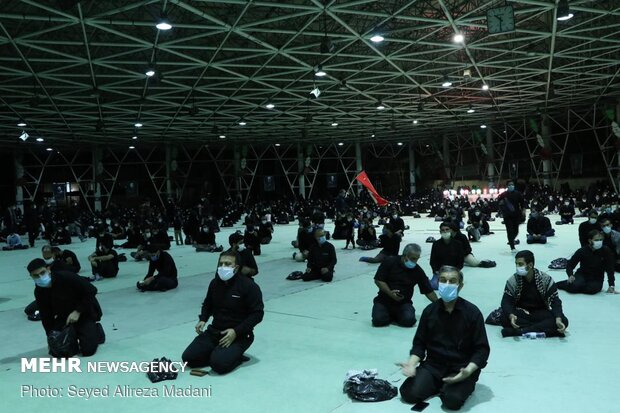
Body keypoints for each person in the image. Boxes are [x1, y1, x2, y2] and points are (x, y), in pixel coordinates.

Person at [397, 266, 490, 411]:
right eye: (443, 280)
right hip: (434, 366)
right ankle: (440, 385)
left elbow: (482, 349)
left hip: (461, 368)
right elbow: (419, 343)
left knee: (452, 401)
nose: (447, 284)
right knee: (408, 394)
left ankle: (450, 387)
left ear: (460, 286)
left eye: (452, 281)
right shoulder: (430, 311)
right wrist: (411, 363)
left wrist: (469, 370)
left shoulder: (472, 313)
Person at [182, 251, 264, 374]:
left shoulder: (249, 286)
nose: (223, 267)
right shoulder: (215, 283)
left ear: (236, 268)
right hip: (214, 331)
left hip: (238, 334)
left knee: (219, 365)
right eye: (221, 264)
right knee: (189, 359)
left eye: (227, 264)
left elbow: (257, 314)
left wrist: (236, 331)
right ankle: (219, 353)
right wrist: (203, 319)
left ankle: (235, 356)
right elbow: (208, 303)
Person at [27, 258, 105, 357]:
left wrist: (78, 311)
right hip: (64, 317)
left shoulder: (66, 277)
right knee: (61, 351)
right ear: (31, 276)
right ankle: (75, 334)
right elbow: (46, 315)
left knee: (88, 350)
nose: (40, 277)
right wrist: (51, 337)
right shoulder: (39, 291)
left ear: (48, 269)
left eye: (42, 273)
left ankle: (96, 331)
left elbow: (91, 290)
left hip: (84, 313)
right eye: (36, 275)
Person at [499, 250, 569, 337]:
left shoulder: (545, 279)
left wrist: (558, 318)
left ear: (530, 265)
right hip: (521, 313)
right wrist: (511, 315)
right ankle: (546, 331)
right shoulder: (513, 280)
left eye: (520, 264)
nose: (517, 267)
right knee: (504, 318)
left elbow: (555, 301)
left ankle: (520, 332)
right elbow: (506, 301)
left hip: (540, 312)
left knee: (563, 320)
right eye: (516, 264)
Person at [372, 244, 437, 327]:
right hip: (384, 300)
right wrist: (390, 293)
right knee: (378, 321)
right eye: (413, 258)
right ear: (405, 255)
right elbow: (378, 280)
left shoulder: (418, 271)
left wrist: (439, 304)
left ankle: (395, 316)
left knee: (409, 321)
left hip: (403, 302)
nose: (415, 261)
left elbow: (428, 291)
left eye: (417, 259)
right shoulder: (389, 261)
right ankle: (390, 315)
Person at [557, 230, 615, 295]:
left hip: (597, 277)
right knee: (573, 288)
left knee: (592, 290)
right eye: (596, 240)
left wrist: (611, 285)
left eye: (601, 240)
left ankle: (579, 285)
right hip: (582, 274)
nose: (599, 242)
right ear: (590, 241)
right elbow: (570, 265)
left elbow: (610, 268)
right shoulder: (582, 251)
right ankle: (564, 284)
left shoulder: (606, 251)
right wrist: (570, 275)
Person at [429, 223, 465, 288]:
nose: (445, 231)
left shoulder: (458, 244)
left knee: (453, 285)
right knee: (434, 285)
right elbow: (432, 261)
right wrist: (436, 271)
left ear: (451, 230)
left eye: (447, 229)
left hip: (453, 271)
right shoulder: (436, 244)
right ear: (440, 232)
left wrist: (456, 270)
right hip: (440, 271)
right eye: (443, 230)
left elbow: (461, 261)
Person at [497, 181, 526, 252]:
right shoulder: (503, 195)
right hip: (507, 216)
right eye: (510, 185)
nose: (511, 186)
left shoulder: (518, 194)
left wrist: (523, 211)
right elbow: (499, 204)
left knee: (516, 230)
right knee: (509, 231)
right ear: (507, 186)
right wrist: (502, 211)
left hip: (516, 215)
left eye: (512, 185)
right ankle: (512, 247)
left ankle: (511, 240)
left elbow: (522, 203)